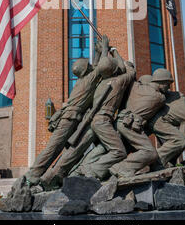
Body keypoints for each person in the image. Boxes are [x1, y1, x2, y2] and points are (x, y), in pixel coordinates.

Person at [24, 35, 110, 186]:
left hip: (70, 117)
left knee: (57, 146)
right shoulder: (88, 81)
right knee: (54, 146)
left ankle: (38, 174)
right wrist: (104, 49)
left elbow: (95, 67)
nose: (91, 66)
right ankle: (33, 174)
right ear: (86, 70)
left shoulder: (83, 80)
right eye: (89, 65)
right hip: (70, 118)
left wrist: (98, 53)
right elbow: (101, 67)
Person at [41, 48, 135, 186]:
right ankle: (84, 170)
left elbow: (99, 67)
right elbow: (130, 72)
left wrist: (105, 53)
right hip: (102, 121)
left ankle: (55, 173)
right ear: (114, 70)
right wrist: (116, 53)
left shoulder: (97, 85)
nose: (92, 67)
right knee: (118, 151)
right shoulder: (118, 81)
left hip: (90, 121)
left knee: (76, 149)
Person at [109, 69, 174, 178]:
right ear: (161, 82)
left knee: (124, 149)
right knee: (150, 152)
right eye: (168, 84)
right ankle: (122, 168)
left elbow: (130, 73)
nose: (168, 88)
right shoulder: (160, 98)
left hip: (119, 121)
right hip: (131, 125)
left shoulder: (136, 86)